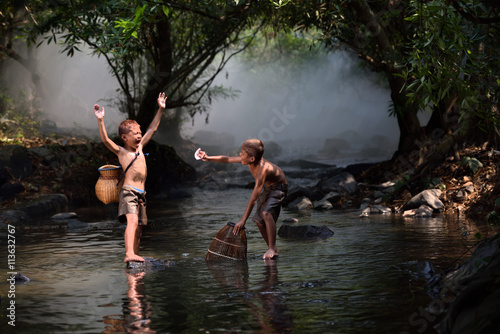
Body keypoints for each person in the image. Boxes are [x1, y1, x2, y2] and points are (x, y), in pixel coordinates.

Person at [94, 92, 167, 263]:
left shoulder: (140, 148)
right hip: (129, 192)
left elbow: (153, 128)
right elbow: (105, 140)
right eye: (134, 133)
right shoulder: (122, 151)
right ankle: (128, 254)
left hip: (142, 193)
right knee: (132, 222)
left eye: (139, 132)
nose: (139, 135)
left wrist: (160, 109)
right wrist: (100, 120)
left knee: (140, 228)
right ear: (124, 138)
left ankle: (135, 253)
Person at [197, 139, 288, 259]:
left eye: (242, 153)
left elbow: (254, 197)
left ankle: (272, 248)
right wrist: (208, 158)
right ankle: (272, 248)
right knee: (259, 221)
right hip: (268, 187)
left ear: (251, 159)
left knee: (266, 214)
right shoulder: (250, 160)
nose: (239, 155)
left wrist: (243, 220)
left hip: (279, 187)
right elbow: (227, 159)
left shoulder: (262, 171)